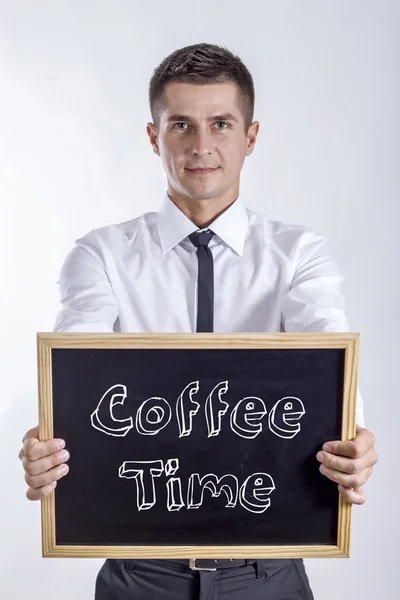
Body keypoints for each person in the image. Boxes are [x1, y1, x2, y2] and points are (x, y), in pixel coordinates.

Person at [18, 43, 378, 600]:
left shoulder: (299, 255)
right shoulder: (101, 256)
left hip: (268, 573)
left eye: (221, 124)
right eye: (181, 124)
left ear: (251, 137)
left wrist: (355, 440)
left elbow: (329, 360)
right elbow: (73, 374)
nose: (201, 146)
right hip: (141, 575)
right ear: (153, 136)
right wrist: (49, 440)